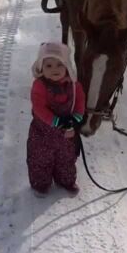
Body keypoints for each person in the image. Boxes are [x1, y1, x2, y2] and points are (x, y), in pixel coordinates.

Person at [27, 42, 86, 197]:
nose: (55, 69)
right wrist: (57, 122)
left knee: (66, 159)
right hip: (42, 133)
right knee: (40, 159)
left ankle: (65, 181)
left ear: (67, 66)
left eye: (60, 64)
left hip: (67, 133)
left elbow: (80, 101)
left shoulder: (74, 85)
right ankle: (41, 184)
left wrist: (76, 118)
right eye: (49, 66)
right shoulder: (39, 85)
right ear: (41, 68)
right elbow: (39, 107)